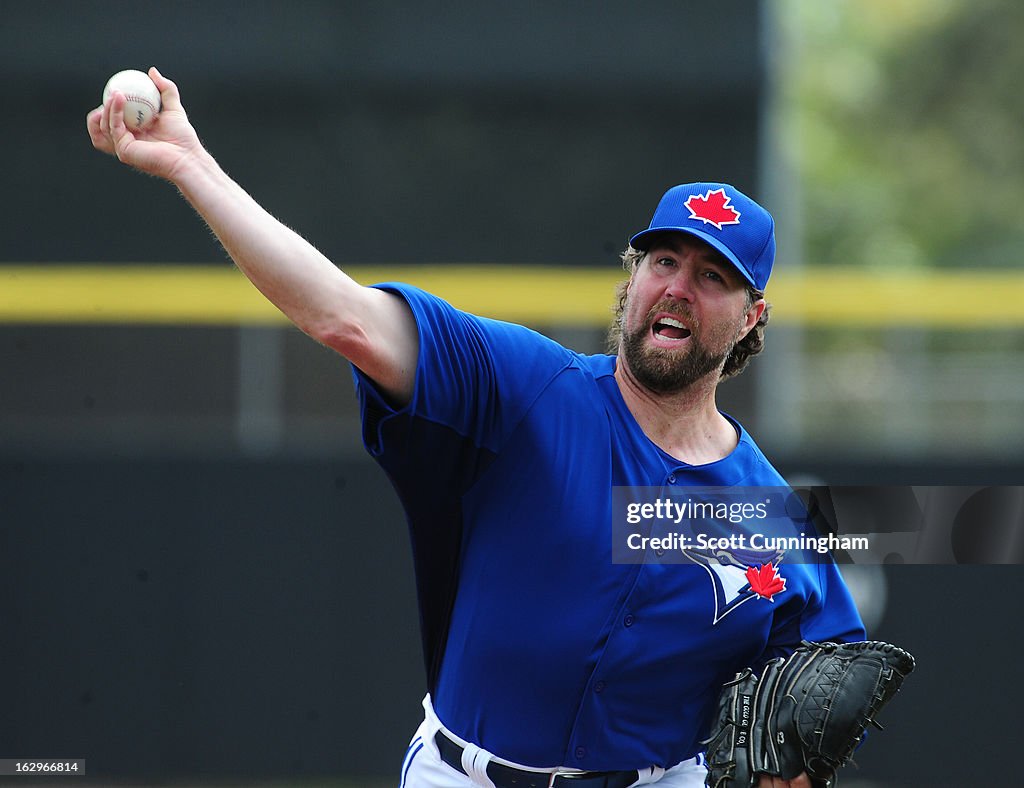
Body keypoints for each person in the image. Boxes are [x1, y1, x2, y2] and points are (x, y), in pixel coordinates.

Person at [88, 68, 865, 788]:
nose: (677, 287)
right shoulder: (527, 385)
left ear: (752, 316)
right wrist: (193, 167)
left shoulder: (770, 514)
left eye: (712, 276)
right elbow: (343, 316)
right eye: (662, 261)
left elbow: (832, 675)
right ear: (632, 280)